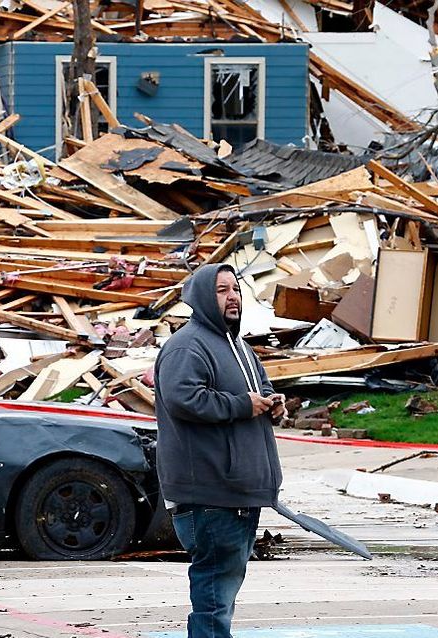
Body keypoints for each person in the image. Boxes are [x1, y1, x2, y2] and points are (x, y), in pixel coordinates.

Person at [153, 264, 286, 638]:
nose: (233, 297)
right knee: (213, 595)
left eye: (236, 289)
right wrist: (243, 405)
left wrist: (273, 403)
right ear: (201, 298)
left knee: (221, 593)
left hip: (239, 491)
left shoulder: (239, 347)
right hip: (209, 494)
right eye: (221, 290)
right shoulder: (187, 346)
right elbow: (184, 399)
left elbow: (258, 389)